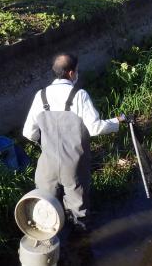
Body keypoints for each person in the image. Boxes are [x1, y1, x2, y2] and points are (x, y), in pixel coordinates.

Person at [22, 53, 124, 230]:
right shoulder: (79, 95)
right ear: (70, 73)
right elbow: (95, 128)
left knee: (46, 210)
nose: (78, 73)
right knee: (79, 212)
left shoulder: (41, 95)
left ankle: (51, 246)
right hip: (74, 165)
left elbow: (28, 133)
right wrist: (116, 122)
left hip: (48, 164)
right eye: (77, 70)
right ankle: (81, 244)